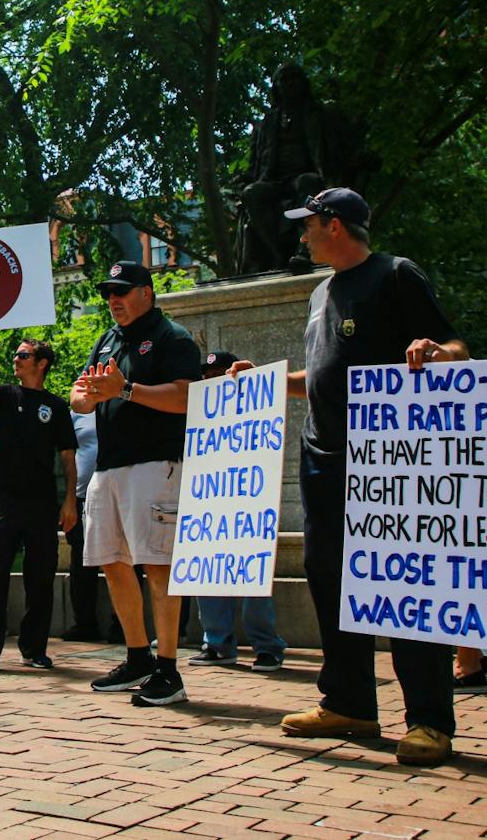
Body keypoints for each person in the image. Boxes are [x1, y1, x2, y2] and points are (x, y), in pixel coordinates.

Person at [231, 187, 466, 766]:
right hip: (323, 458)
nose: (301, 234)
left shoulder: (395, 275)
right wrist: (263, 380)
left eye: (308, 225)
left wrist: (436, 353)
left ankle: (429, 719)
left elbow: (457, 346)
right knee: (329, 575)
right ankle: (350, 703)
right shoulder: (320, 293)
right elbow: (323, 374)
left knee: (402, 582)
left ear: (334, 225)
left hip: (387, 461)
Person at [71, 260, 200, 706]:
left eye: (122, 291)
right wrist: (86, 397)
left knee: (158, 565)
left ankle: (169, 669)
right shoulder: (106, 340)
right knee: (112, 562)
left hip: (155, 464)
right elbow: (79, 394)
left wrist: (126, 391)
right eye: (109, 293)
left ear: (147, 292)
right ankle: (137, 656)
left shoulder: (172, 337)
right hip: (108, 468)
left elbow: (187, 396)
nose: (113, 300)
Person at [0, 330, 78, 672]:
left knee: (41, 576)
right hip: (4, 501)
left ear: (41, 364)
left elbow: (68, 456)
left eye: (23, 356)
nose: (15, 360)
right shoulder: (7, 396)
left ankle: (34, 648)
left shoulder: (55, 407)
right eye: (16, 355)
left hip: (41, 504)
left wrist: (69, 500)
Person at [186, 350, 288, 673]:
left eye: (219, 372)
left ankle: (267, 647)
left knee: (253, 581)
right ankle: (217, 643)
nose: (210, 379)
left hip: (248, 503)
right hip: (208, 501)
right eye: (207, 374)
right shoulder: (199, 410)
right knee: (209, 575)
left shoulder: (257, 408)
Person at [61, 408, 102, 641]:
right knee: (80, 560)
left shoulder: (121, 404)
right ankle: (85, 623)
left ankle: (122, 627)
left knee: (125, 560)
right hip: (80, 496)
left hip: (115, 493)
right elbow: (66, 453)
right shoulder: (76, 414)